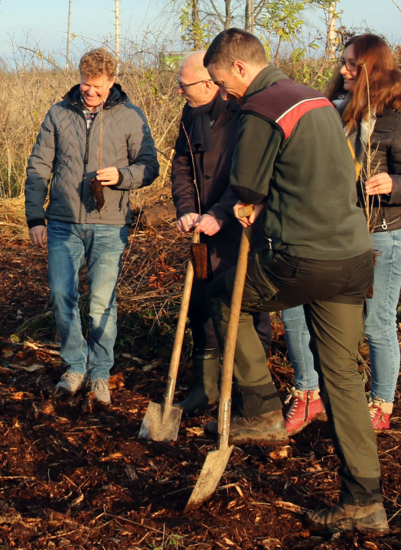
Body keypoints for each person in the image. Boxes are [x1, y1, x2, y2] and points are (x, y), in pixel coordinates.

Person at [202, 29, 387, 532]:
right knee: (343, 378)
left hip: (301, 257)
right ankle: (365, 502)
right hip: (351, 256)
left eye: (221, 81)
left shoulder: (262, 107)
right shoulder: (315, 99)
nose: (222, 92)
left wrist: (247, 201)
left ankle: (260, 409)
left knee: (221, 298)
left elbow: (246, 185)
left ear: (240, 69)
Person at [280, 34, 401, 435]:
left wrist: (392, 183)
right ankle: (308, 395)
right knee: (295, 310)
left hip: (384, 235)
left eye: (352, 65)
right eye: (343, 62)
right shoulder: (332, 111)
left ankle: (381, 404)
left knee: (376, 323)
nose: (343, 70)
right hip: (333, 232)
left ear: (373, 69)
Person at [24, 47, 159, 405]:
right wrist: (35, 216)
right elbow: (39, 166)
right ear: (79, 78)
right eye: (86, 85)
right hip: (62, 223)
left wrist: (122, 176)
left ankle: (100, 373)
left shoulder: (131, 116)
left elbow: (149, 165)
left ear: (112, 81)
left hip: (109, 223)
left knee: (101, 302)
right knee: (61, 295)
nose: (91, 92)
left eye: (98, 86)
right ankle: (74, 364)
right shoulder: (58, 113)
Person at [169, 51, 272, 415]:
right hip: (202, 232)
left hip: (240, 229)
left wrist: (219, 213)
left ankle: (251, 396)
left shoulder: (244, 113)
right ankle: (205, 388)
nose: (180, 91)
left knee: (245, 308)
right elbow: (180, 167)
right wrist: (186, 210)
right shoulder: (189, 117)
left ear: (209, 83)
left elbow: (249, 177)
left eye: (185, 84)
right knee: (200, 306)